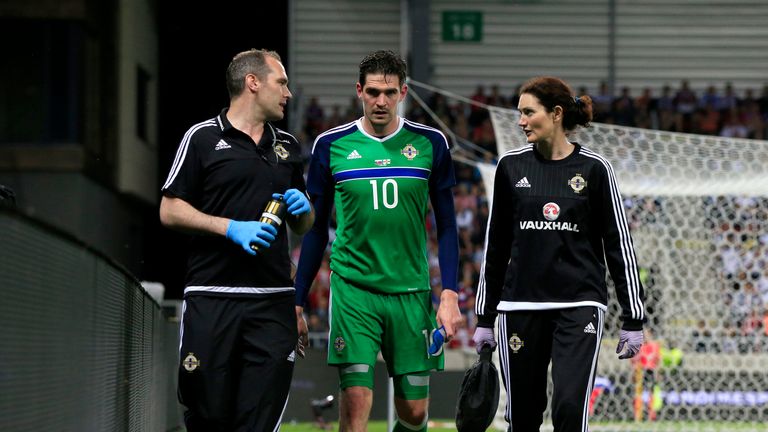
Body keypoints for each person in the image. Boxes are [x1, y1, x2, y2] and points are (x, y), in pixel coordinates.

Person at [293, 50, 462, 432]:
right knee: (355, 404)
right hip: (353, 290)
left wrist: (449, 294)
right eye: (372, 92)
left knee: (415, 413)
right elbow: (317, 229)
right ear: (359, 91)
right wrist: (298, 299)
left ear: (403, 92)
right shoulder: (330, 145)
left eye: (389, 92)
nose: (380, 101)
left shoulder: (430, 143)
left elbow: (448, 225)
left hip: (411, 290)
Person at [472, 76, 646, 432]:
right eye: (519, 113)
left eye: (527, 112)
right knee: (523, 415)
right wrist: (485, 317)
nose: (520, 121)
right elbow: (496, 247)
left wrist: (633, 318)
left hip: (578, 305)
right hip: (520, 307)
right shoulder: (510, 167)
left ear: (555, 114)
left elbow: (619, 245)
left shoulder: (596, 169)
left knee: (568, 408)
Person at [159, 48, 314, 432]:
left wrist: (304, 208)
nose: (288, 93)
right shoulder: (201, 137)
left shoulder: (289, 147)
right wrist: (231, 228)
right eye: (281, 83)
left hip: (273, 303)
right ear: (253, 82)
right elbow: (169, 209)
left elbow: (304, 227)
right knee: (208, 418)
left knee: (258, 423)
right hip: (212, 297)